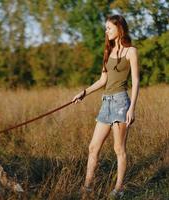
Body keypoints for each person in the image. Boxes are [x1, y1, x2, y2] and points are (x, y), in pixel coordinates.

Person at [72, 15, 140, 199]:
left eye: (109, 27)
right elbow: (103, 80)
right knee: (93, 147)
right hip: (106, 103)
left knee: (119, 149)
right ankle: (87, 187)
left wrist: (131, 108)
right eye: (106, 28)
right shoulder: (108, 51)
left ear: (120, 29)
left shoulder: (131, 52)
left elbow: (135, 81)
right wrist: (84, 92)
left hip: (121, 104)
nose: (106, 31)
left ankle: (119, 189)